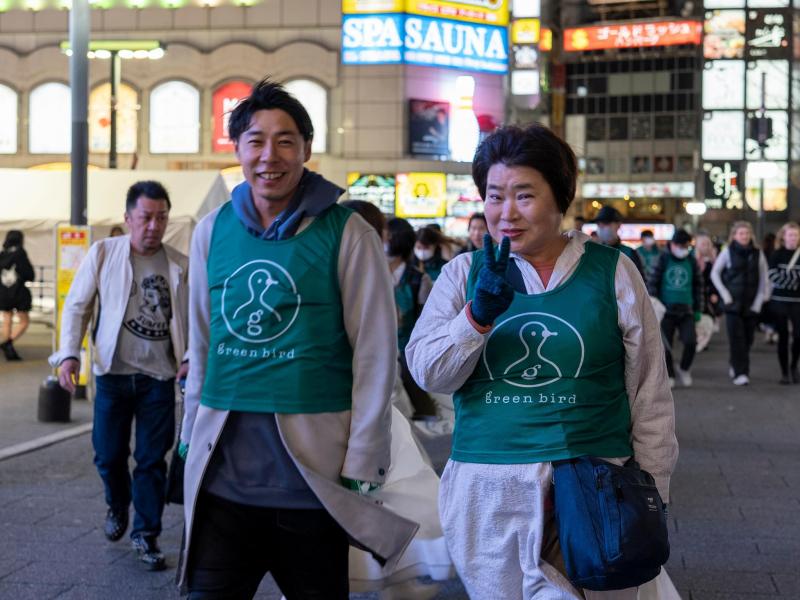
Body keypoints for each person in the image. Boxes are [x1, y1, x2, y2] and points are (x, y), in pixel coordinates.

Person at [406, 123, 678, 600]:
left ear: (561, 198)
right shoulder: (463, 274)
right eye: (494, 196)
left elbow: (649, 392)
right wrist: (475, 318)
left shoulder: (612, 271)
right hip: (485, 491)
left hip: (592, 489)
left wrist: (650, 495)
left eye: (524, 196)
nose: (506, 213)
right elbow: (429, 373)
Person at [178, 79, 417, 599]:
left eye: (286, 140)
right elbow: (202, 346)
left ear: (307, 149)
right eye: (256, 140)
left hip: (314, 486)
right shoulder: (210, 231)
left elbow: (375, 355)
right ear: (237, 149)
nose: (270, 155)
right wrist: (190, 430)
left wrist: (364, 458)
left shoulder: (347, 233)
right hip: (223, 485)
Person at [49, 181, 189, 571]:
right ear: (128, 219)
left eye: (161, 217)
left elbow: (195, 319)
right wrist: (68, 356)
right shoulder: (103, 253)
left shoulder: (180, 263)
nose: (153, 226)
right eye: (145, 217)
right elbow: (76, 307)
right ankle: (117, 503)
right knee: (108, 456)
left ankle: (146, 535)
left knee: (150, 460)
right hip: (111, 374)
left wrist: (191, 357)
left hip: (158, 378)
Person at [340, 200, 452, 600]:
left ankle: (391, 573)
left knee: (382, 492)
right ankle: (394, 574)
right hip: (357, 408)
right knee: (390, 490)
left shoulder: (380, 279)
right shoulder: (364, 280)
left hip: (364, 405)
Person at [710, 221, 769, 386]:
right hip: (732, 305)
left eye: (746, 233)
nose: (744, 236)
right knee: (737, 339)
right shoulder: (727, 252)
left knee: (748, 340)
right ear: (734, 236)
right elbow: (715, 273)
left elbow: (764, 278)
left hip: (751, 304)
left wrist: (760, 300)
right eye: (741, 233)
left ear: (751, 235)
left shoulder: (758, 253)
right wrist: (725, 294)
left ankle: (735, 363)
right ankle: (741, 373)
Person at [647, 229, 703, 388]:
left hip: (687, 310)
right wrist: (654, 306)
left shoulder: (691, 261)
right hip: (666, 311)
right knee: (665, 346)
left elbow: (699, 286)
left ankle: (684, 368)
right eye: (679, 245)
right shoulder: (662, 259)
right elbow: (652, 283)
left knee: (691, 342)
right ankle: (670, 373)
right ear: (672, 244)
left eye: (685, 245)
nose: (682, 248)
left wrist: (699, 309)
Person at [767, 222, 800, 384]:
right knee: (783, 337)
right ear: (784, 237)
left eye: (796, 235)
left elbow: (780, 278)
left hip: (797, 302)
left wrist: (786, 279)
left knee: (798, 336)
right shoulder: (777, 254)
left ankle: (794, 366)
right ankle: (784, 372)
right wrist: (795, 280)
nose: (793, 238)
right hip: (779, 301)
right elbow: (773, 276)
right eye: (790, 235)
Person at [0, 230, 35, 361]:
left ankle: (8, 347)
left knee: (7, 318)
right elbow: (29, 274)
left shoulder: (2, 254)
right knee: (24, 321)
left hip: (3, 292)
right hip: (18, 293)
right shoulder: (20, 253)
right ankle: (8, 343)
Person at [593, 205, 646, 279]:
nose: (601, 227)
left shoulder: (629, 253)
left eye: (606, 223)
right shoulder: (594, 253)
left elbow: (640, 282)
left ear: (618, 225)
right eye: (598, 224)